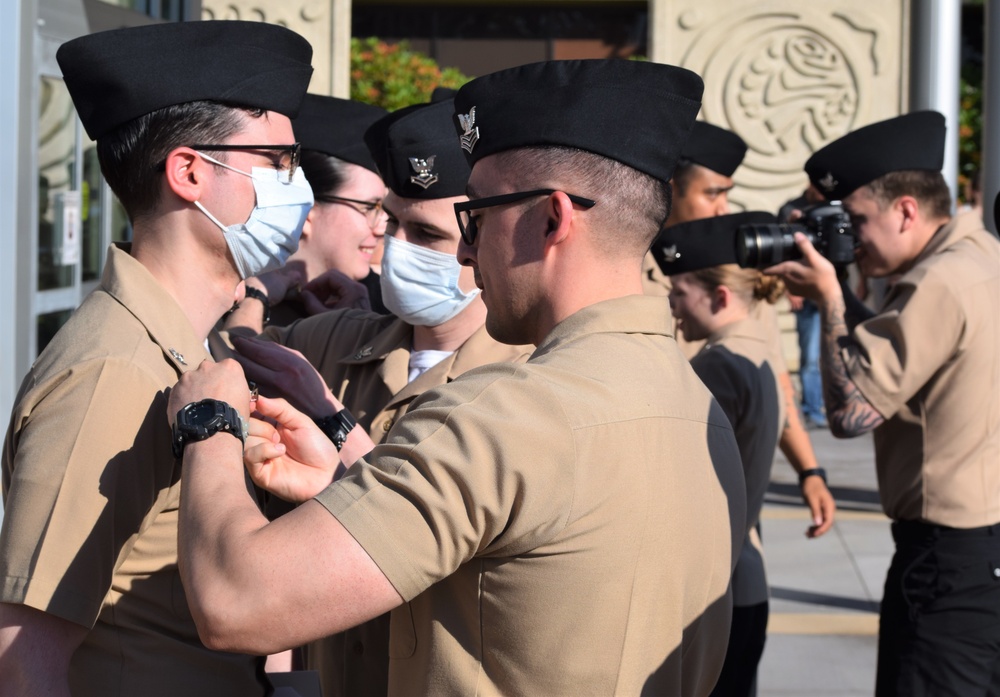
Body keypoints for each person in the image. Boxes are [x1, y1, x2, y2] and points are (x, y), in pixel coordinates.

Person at [169, 58, 747, 696]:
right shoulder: (696, 406)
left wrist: (210, 422)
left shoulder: (506, 415)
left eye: (477, 220)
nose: (468, 252)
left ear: (554, 219)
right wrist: (345, 477)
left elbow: (237, 602)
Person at [0, 21, 314, 696]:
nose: (298, 187)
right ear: (191, 171)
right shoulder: (116, 369)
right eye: (278, 162)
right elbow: (27, 652)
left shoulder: (185, 349)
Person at [229, 97, 533, 697]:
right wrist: (274, 285)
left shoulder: (525, 382)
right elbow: (225, 352)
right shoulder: (333, 341)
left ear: (480, 240)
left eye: (426, 233)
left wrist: (328, 416)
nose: (393, 246)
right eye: (390, 222)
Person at [766, 110, 1000, 696]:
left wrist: (827, 299)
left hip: (946, 563)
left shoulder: (938, 282)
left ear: (906, 210)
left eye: (857, 221)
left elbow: (851, 412)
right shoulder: (983, 259)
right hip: (982, 550)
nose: (850, 240)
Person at [651, 128, 836, 538]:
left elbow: (776, 380)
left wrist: (810, 470)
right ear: (669, 188)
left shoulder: (736, 277)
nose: (722, 209)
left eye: (726, 194)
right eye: (712, 193)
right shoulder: (628, 273)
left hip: (726, 521)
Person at [662, 212, 786, 697]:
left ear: (719, 296)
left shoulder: (717, 366)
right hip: (745, 578)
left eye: (679, 294)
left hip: (718, 589)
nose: (673, 308)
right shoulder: (757, 347)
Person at [252, 93, 389, 325]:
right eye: (370, 207)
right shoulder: (236, 303)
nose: (382, 227)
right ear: (305, 210)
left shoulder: (382, 309)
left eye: (385, 209)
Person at [779, 184, 829, 429]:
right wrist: (790, 289)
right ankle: (812, 411)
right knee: (810, 357)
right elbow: (783, 251)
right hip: (804, 295)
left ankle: (819, 406)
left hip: (828, 290)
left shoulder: (829, 208)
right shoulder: (791, 209)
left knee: (826, 355)